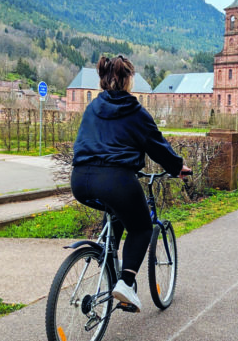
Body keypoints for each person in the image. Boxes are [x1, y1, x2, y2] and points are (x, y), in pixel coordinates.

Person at [71, 55, 191, 312]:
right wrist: (177, 167)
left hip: (80, 179)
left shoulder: (93, 107)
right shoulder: (135, 112)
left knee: (116, 214)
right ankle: (125, 283)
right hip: (115, 180)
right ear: (127, 81)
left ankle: (106, 262)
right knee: (142, 228)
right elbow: (157, 146)